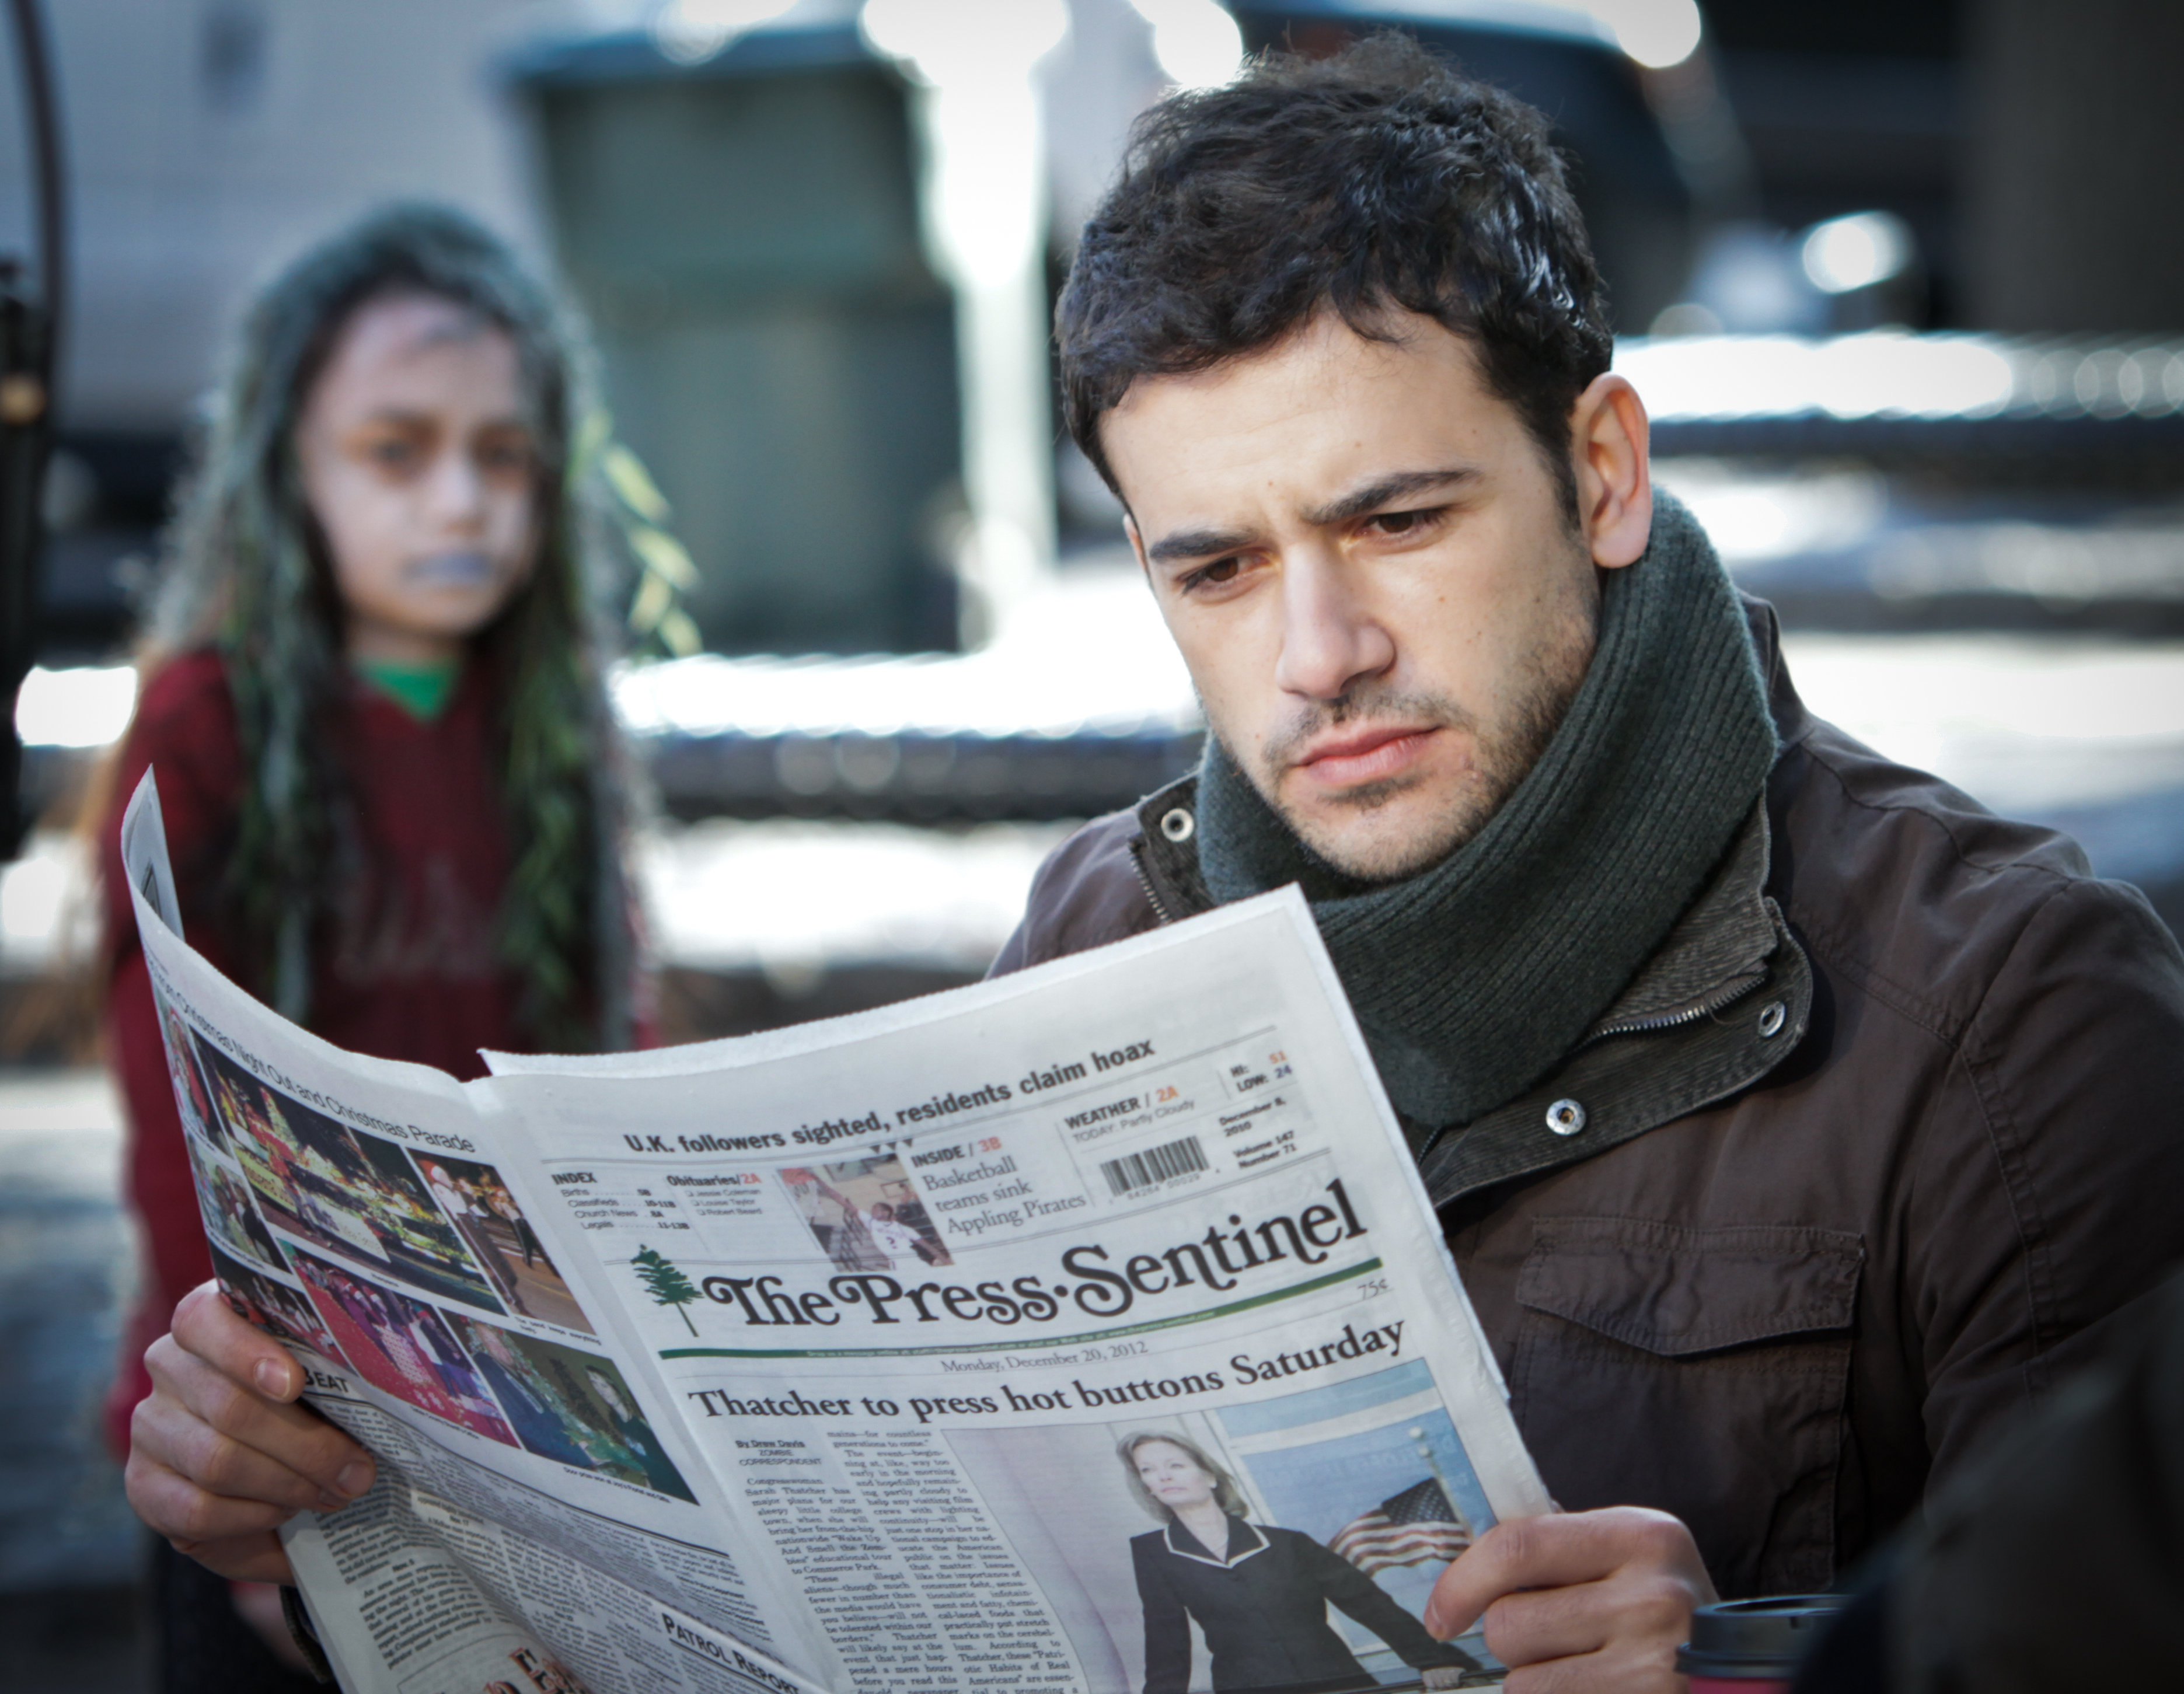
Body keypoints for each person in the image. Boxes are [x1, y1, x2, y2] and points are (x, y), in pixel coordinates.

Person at [125, 37, 2184, 1694]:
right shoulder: (1101, 928)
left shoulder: (2014, 1021)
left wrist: (1748, 1669)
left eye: (1393, 520)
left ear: (1603, 472)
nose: (1317, 656)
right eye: (1214, 564)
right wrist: (326, 1531)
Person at [104, 202, 646, 1686]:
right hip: (268, 1430)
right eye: (397, 450)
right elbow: (176, 1139)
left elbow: (609, 1048)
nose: (461, 499)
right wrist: (263, 1512)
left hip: (529, 1429)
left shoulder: (556, 732)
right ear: (290, 468)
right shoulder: (200, 727)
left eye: (505, 452)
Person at [1122, 1433, 1473, 1693]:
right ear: (1147, 1487)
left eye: (1175, 1465)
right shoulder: (1153, 1553)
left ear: (1211, 1478)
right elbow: (1166, 1641)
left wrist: (1433, 1659)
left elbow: (1369, 1604)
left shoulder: (1289, 1543)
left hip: (1338, 1681)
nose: (1163, 1476)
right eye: (1148, 1470)